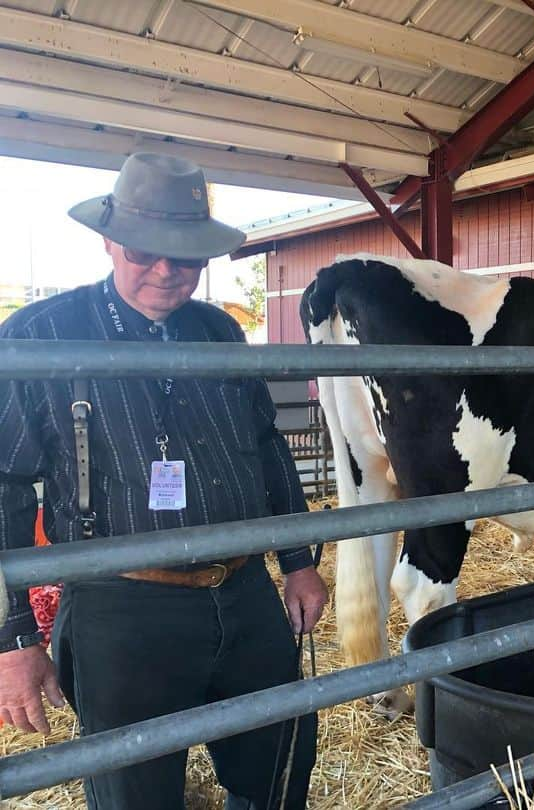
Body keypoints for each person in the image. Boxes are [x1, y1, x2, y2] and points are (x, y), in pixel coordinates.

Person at [0, 152, 327, 809]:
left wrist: (297, 562)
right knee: (135, 794)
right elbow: (3, 489)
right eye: (145, 252)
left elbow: (268, 448)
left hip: (242, 590)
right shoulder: (40, 337)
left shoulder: (219, 332)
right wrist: (14, 641)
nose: (164, 272)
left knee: (282, 767)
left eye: (184, 257)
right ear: (110, 240)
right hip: (121, 609)